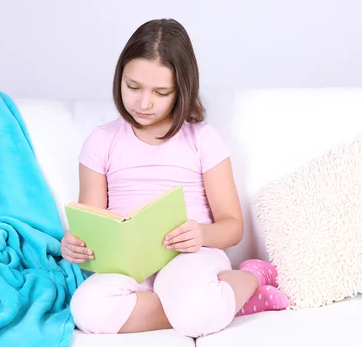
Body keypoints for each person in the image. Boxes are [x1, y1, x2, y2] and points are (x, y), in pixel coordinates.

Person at [61, 18, 290, 338]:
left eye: (161, 92)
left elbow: (232, 226)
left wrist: (201, 234)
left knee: (193, 307)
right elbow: (92, 222)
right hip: (132, 266)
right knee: (86, 309)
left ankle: (251, 279)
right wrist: (76, 244)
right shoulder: (101, 141)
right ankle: (214, 304)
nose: (144, 102)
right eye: (133, 87)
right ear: (120, 79)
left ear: (181, 90)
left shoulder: (202, 139)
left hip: (191, 256)